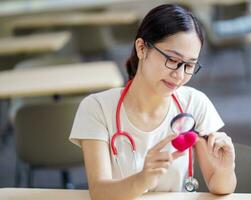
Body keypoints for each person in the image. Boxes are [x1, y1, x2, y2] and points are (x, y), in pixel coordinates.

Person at [69, 4, 236, 200]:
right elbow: (99, 192)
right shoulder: (97, 108)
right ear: (141, 48)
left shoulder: (195, 103)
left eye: (189, 65)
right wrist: (143, 179)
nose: (179, 75)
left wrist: (226, 168)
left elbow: (220, 187)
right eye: (172, 60)